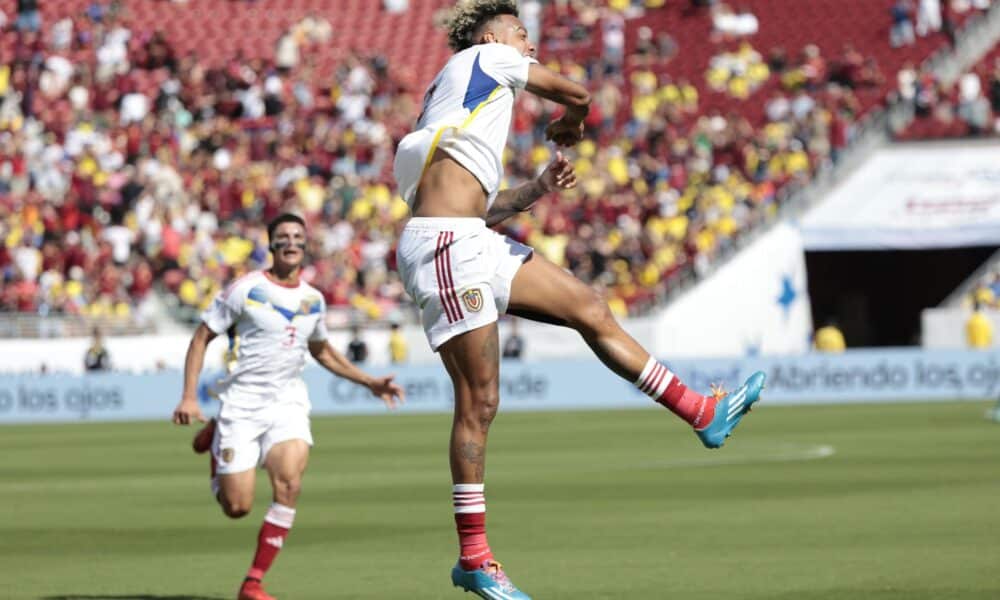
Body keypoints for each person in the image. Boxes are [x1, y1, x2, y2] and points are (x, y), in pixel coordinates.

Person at [392, 2, 765, 598]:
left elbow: (475, 207)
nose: (528, 43)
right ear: (492, 35)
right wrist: (572, 120)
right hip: (445, 246)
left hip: (467, 237)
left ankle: (701, 412)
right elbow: (581, 92)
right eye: (522, 32)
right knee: (480, 400)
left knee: (589, 308)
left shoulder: (463, 94)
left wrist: (537, 188)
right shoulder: (489, 57)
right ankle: (475, 558)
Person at [171, 213, 404, 600]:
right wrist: (189, 396)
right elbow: (200, 338)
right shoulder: (244, 290)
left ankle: (253, 582)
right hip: (242, 403)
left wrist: (369, 381)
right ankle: (216, 437)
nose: (291, 242)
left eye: (298, 236)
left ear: (305, 244)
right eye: (283, 237)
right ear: (271, 244)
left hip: (288, 401)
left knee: (290, 483)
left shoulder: (314, 300)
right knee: (237, 506)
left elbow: (322, 351)